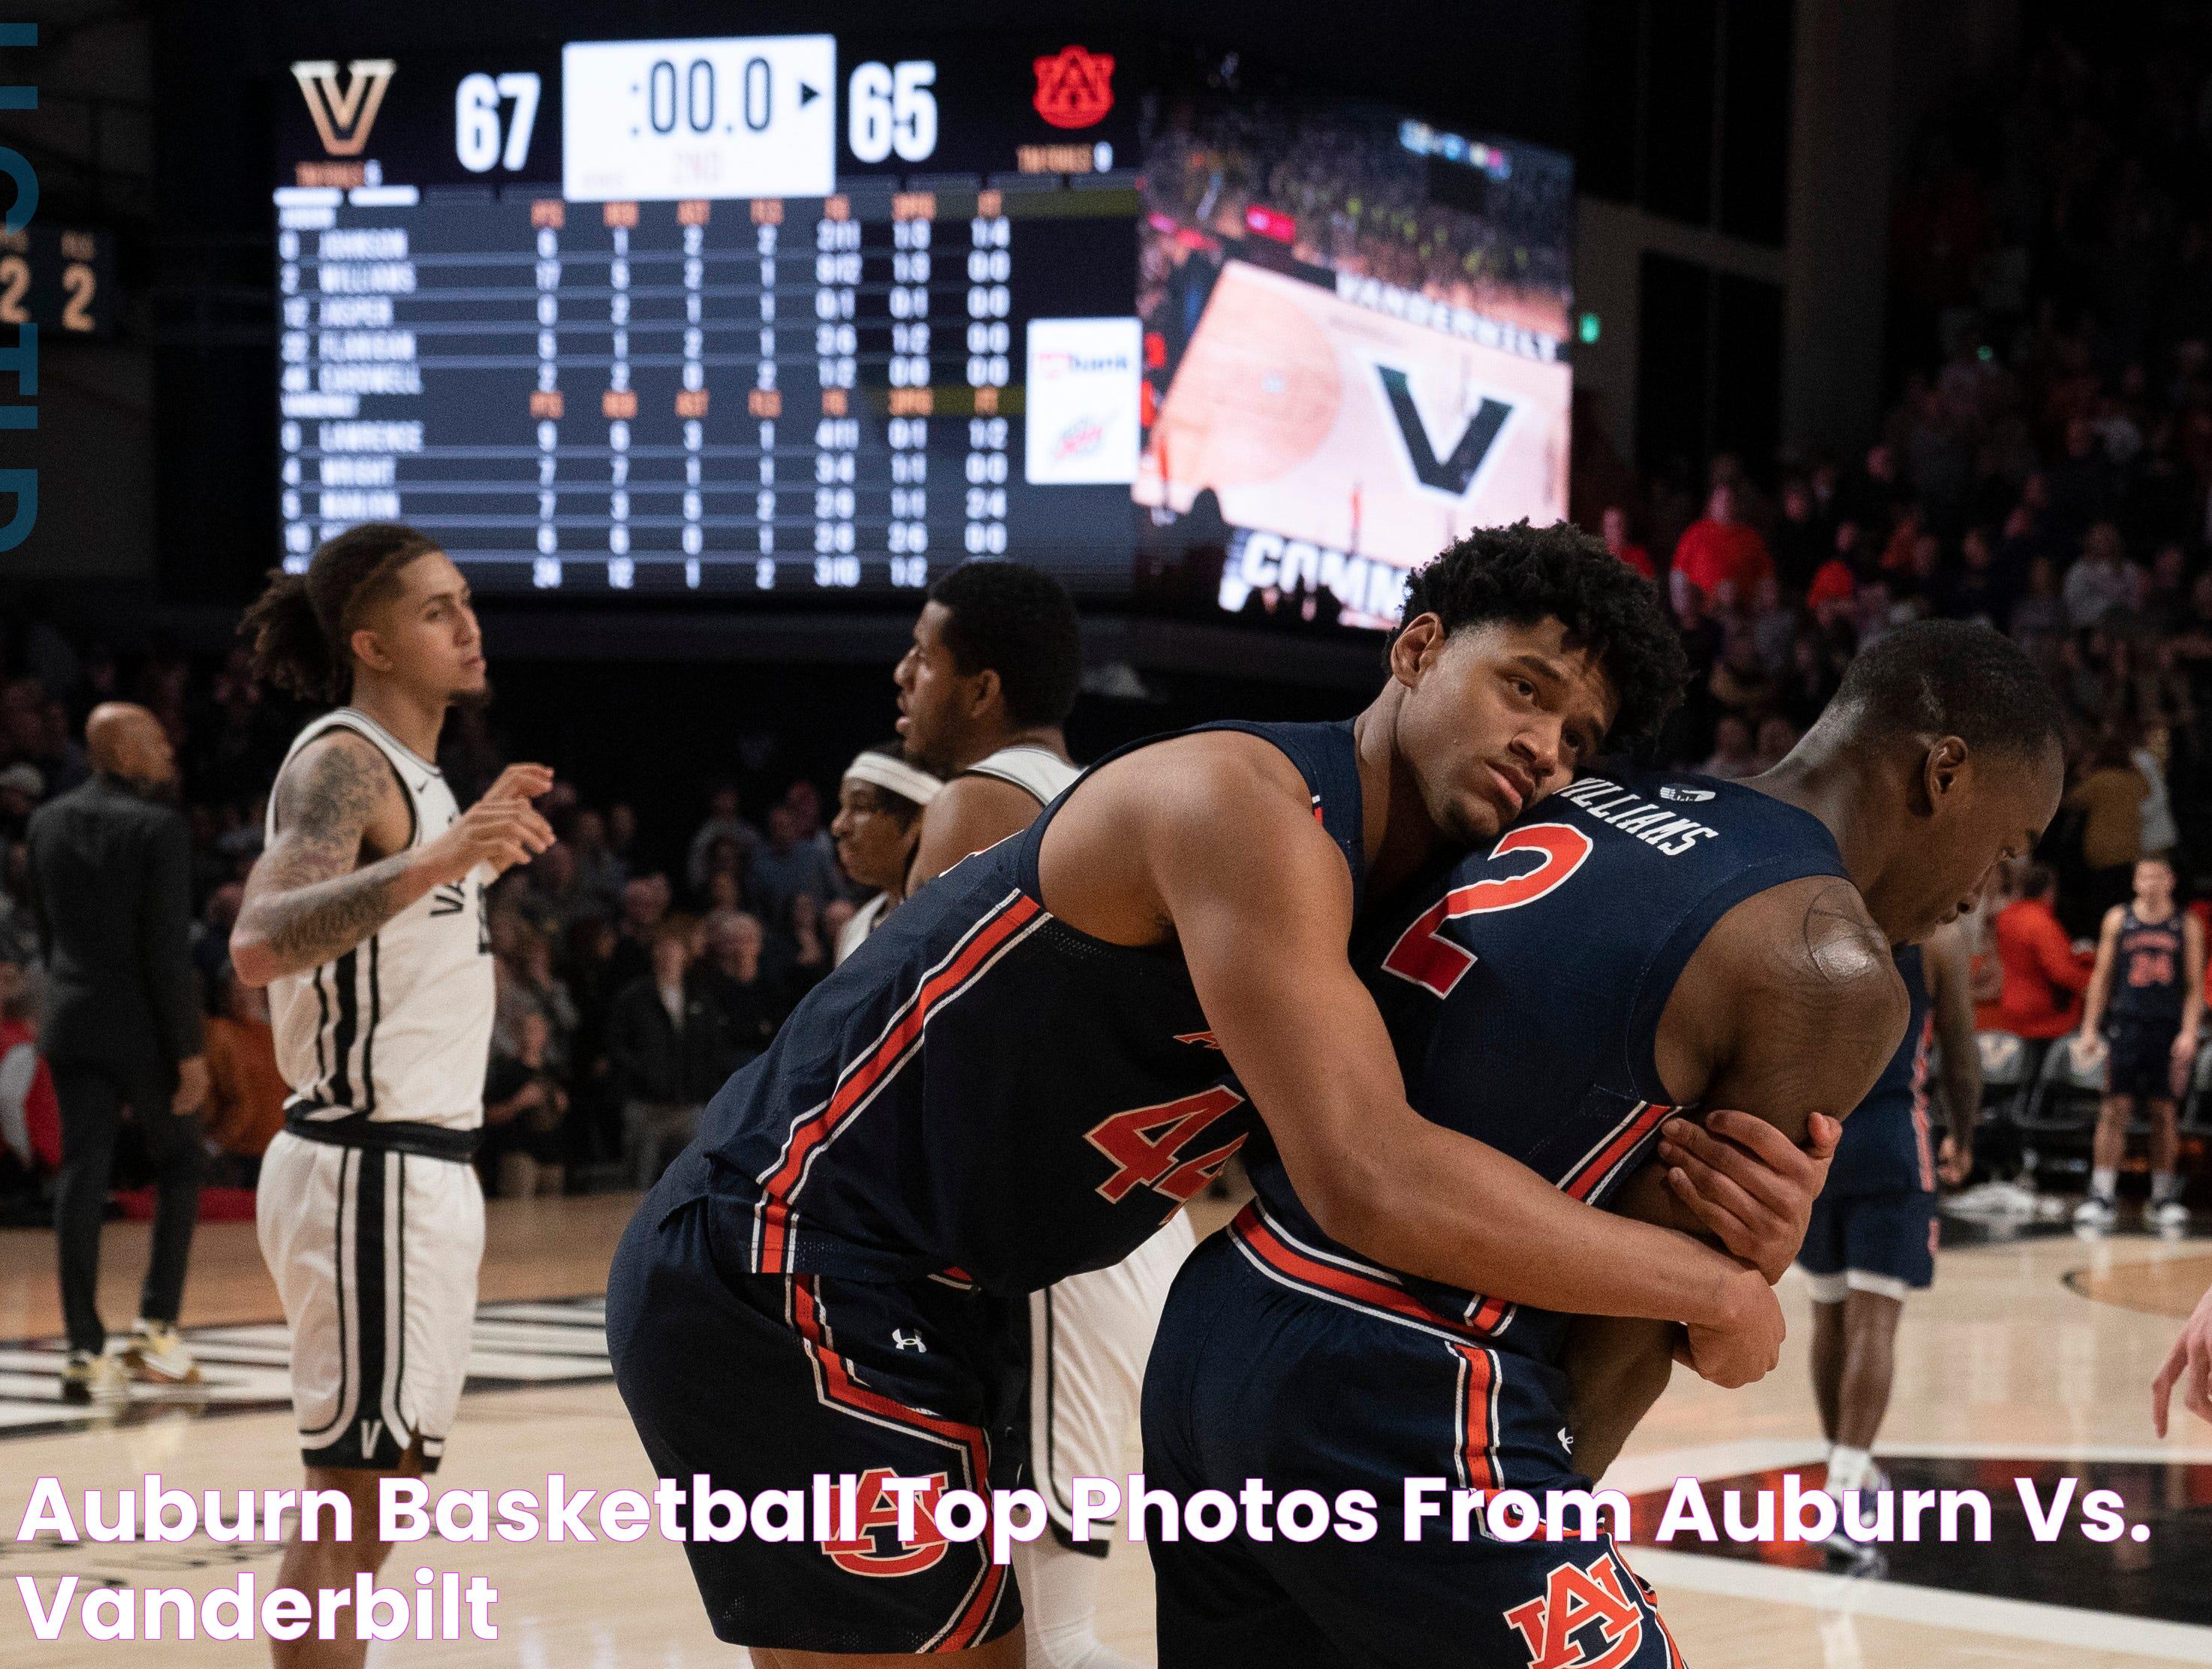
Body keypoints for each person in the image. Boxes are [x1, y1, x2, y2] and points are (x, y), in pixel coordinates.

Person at [606, 524, 1825, 1667]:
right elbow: (1371, 1176)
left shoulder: (1407, 909)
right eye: (1526, 687)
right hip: (782, 1249)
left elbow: (1516, 1150)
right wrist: (1709, 1283)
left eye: (1580, 737)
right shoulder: (1245, 807)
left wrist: (1736, 1202)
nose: (1546, 747)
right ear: (1415, 649)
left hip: (933, 1286)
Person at [1144, 622, 2063, 1666]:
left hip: (1220, 1316)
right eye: (2006, 846)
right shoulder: (1830, 955)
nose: (1980, 889)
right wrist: (1550, 1508)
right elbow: (1636, 1330)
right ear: (1943, 771)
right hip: (1409, 1382)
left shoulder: (1592, 794)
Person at [229, 522, 555, 1669]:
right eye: (434, 609)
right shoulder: (344, 759)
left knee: (375, 1506)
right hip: (366, 1163)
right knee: (352, 1504)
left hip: (412, 1169)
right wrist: (445, 853)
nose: (466, 623)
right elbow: (261, 941)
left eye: (464, 600)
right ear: (368, 641)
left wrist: (458, 848)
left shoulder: (417, 777)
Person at [896, 561, 1182, 1669]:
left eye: (924, 653)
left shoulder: (980, 800)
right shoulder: (1103, 798)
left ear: (980, 687)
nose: (902, 673)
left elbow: (918, 1048)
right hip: (1121, 1214)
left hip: (1052, 1235)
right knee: (1030, 1615)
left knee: (1046, 1629)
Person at [24, 701, 210, 1398]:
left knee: (81, 1173)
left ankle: (83, 1350)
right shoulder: (159, 828)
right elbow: (165, 950)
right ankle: (157, 1328)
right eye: (156, 740)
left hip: (72, 1018)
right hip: (142, 1027)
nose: (168, 750)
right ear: (123, 752)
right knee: (183, 1161)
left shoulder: (44, 821)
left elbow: (48, 936)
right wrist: (188, 1051)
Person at [1800, 921, 1979, 1571]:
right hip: (1893, 1142)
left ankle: (1848, 1473)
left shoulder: (1822, 911)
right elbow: (1960, 1050)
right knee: (1875, 1321)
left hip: (1817, 1141)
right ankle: (1846, 1496)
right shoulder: (1935, 937)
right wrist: (1964, 1132)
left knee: (1830, 1315)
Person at [2072, 854, 2204, 1229]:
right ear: (2134, 883)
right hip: (2126, 1026)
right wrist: (2089, 1028)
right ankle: (2101, 1193)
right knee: (2115, 1109)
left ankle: (2162, 1197)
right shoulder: (2118, 919)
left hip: (2166, 1027)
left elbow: (2194, 987)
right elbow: (2100, 977)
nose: (2149, 884)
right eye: (2143, 877)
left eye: (2156, 876)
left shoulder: (2186, 924)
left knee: (2164, 1113)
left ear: (2170, 880)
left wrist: (2190, 1032)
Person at [606, 926, 728, 1190]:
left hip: (690, 1105)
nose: (667, 956)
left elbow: (713, 1050)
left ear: (685, 955)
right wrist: (644, 1074)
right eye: (661, 949)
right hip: (646, 1106)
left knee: (693, 1185)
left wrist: (703, 1088)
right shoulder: (633, 997)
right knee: (638, 1187)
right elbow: (617, 1046)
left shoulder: (701, 998)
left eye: (673, 949)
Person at [828, 744, 942, 965]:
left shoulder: (954, 920)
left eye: (860, 807)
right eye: (842, 807)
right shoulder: (854, 929)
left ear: (919, 820)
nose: (838, 825)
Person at [1977, 862, 2093, 1038]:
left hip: (2011, 1003)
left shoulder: (2006, 917)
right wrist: (2093, 981)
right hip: (2043, 1014)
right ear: (2049, 891)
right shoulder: (2041, 923)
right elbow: (2061, 971)